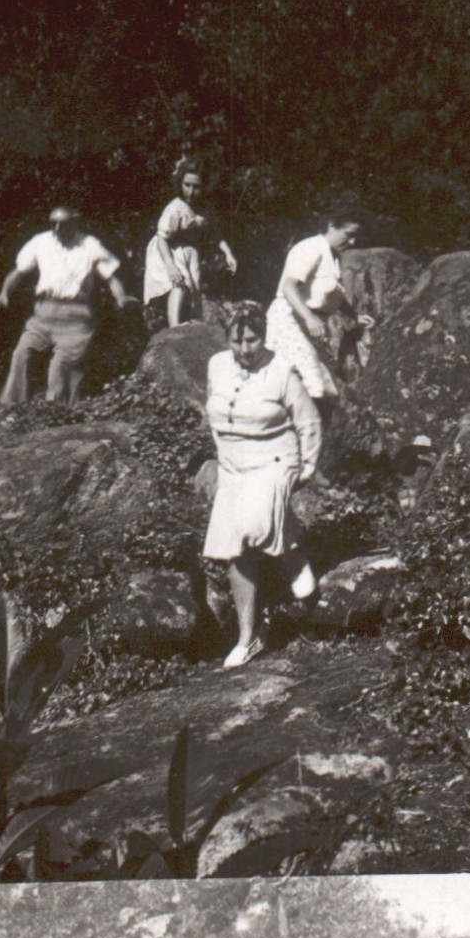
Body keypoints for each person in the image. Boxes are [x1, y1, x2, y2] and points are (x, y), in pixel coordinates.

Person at [203, 303, 322, 670]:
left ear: (263, 336)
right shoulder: (217, 365)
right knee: (233, 548)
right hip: (234, 465)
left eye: (251, 340)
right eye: (237, 341)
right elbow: (213, 412)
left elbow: (310, 423)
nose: (244, 349)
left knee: (252, 525)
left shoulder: (282, 372)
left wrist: (306, 469)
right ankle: (248, 637)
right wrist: (225, 459)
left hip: (275, 458)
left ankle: (291, 555)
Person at [0, 205, 133, 407]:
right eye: (53, 223)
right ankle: (10, 408)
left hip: (76, 318)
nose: (57, 228)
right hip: (44, 313)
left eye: (63, 224)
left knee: (60, 369)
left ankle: (58, 415)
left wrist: (120, 297)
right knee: (21, 353)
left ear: (74, 223)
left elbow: (110, 277)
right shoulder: (41, 242)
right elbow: (18, 272)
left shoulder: (89, 245)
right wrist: (3, 294)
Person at [264, 209, 373, 417]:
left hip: (308, 323)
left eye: (355, 237)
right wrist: (309, 318)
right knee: (310, 380)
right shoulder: (310, 248)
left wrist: (354, 317)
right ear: (332, 226)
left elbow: (333, 294)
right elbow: (289, 287)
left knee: (323, 383)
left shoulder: (333, 257)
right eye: (348, 234)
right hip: (290, 319)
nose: (352, 241)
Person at [143, 157, 237, 328]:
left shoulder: (205, 208)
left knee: (195, 287)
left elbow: (215, 233)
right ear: (180, 183)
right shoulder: (175, 209)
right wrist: (171, 267)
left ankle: (192, 325)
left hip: (189, 252)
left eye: (196, 187)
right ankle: (175, 327)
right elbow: (161, 239)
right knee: (180, 283)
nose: (191, 192)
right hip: (167, 251)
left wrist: (228, 253)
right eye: (187, 185)